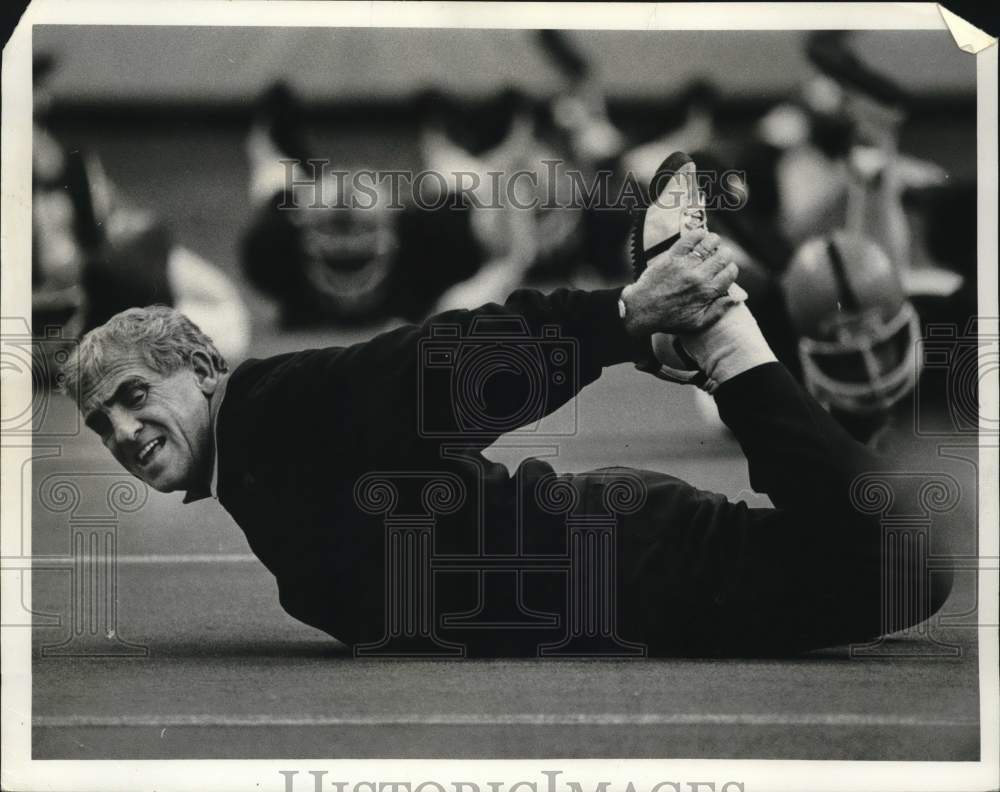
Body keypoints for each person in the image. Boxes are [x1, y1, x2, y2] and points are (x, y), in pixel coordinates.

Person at [60, 152, 954, 657]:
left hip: (633, 568)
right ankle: (706, 336)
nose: (124, 434)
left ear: (203, 366)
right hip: (619, 568)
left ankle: (717, 331)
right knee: (900, 558)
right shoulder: (252, 459)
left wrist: (618, 315)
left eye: (135, 396)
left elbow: (430, 371)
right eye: (104, 425)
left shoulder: (268, 409)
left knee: (908, 563)